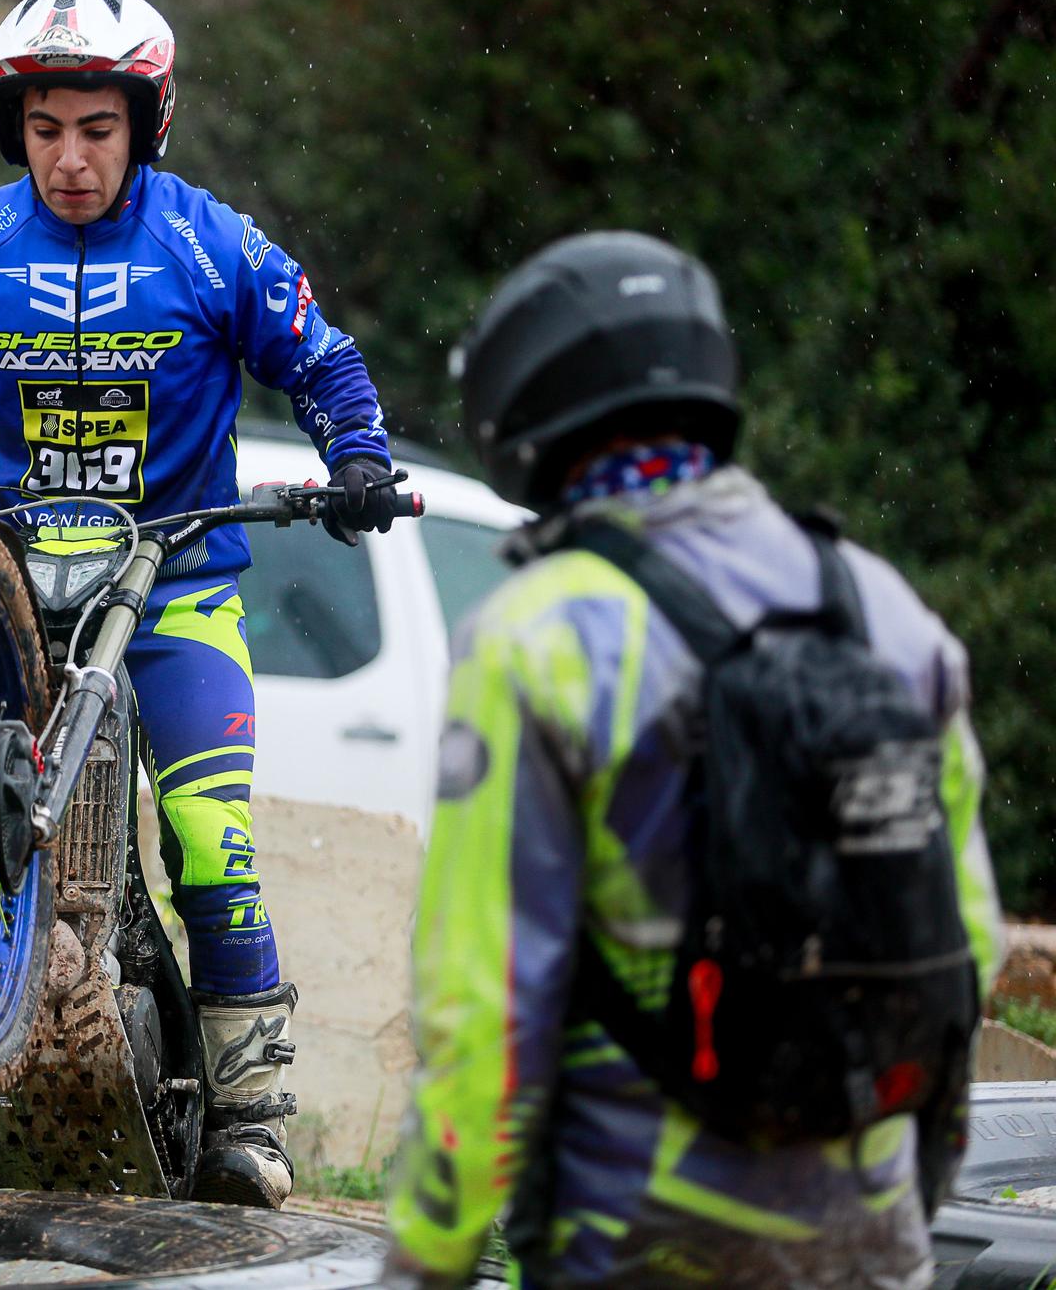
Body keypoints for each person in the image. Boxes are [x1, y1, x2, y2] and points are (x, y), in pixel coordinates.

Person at [0, 0, 399, 1208]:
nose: (69, 158)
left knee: (210, 849)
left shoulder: (209, 242)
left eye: (96, 129)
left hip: (175, 590)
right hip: (18, 594)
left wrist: (358, 462)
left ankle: (251, 1120)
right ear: (12, 130)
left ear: (145, 122)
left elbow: (322, 359)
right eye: (44, 129)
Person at [379, 230, 1003, 1287]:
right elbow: (961, 951)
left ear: (524, 412)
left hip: (632, 1235)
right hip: (867, 1236)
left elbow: (488, 1009)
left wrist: (423, 1259)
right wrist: (910, 1185)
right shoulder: (887, 612)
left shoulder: (538, 638)